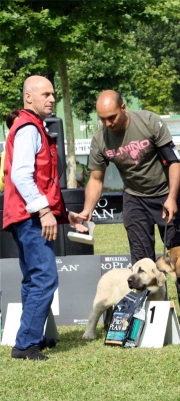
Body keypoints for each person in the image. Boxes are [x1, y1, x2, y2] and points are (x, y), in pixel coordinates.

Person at [71, 90, 180, 333]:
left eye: (111, 117)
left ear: (123, 108)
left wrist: (172, 198)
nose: (107, 123)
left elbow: (174, 162)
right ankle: (144, 320)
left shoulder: (149, 122)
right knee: (140, 262)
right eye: (102, 119)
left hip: (167, 193)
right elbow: (95, 178)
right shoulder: (101, 139)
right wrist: (86, 210)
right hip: (135, 198)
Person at [2, 76, 83, 360]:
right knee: (44, 277)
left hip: (27, 215)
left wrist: (64, 213)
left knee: (34, 278)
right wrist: (45, 211)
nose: (51, 99)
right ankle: (25, 345)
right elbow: (22, 176)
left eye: (53, 94)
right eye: (45, 94)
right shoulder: (28, 128)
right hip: (31, 217)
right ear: (28, 98)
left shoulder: (33, 126)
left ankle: (32, 337)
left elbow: (42, 180)